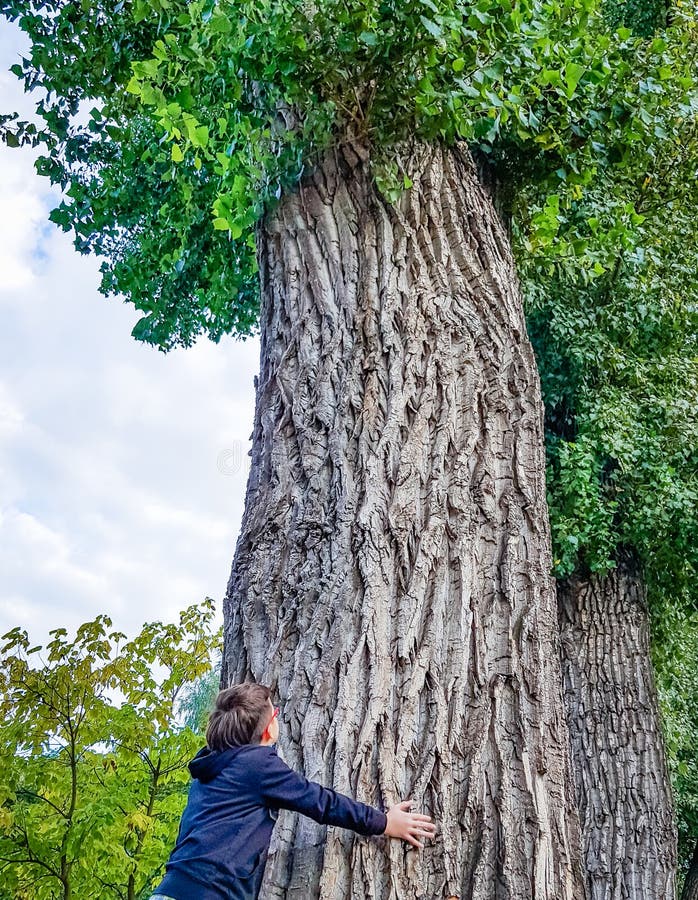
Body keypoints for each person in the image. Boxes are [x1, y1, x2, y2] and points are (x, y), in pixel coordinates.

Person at [151, 682, 436, 900]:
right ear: (267, 730)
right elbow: (320, 801)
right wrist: (384, 822)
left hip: (170, 888)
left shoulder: (209, 770)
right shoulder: (257, 765)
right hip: (209, 892)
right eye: (275, 713)